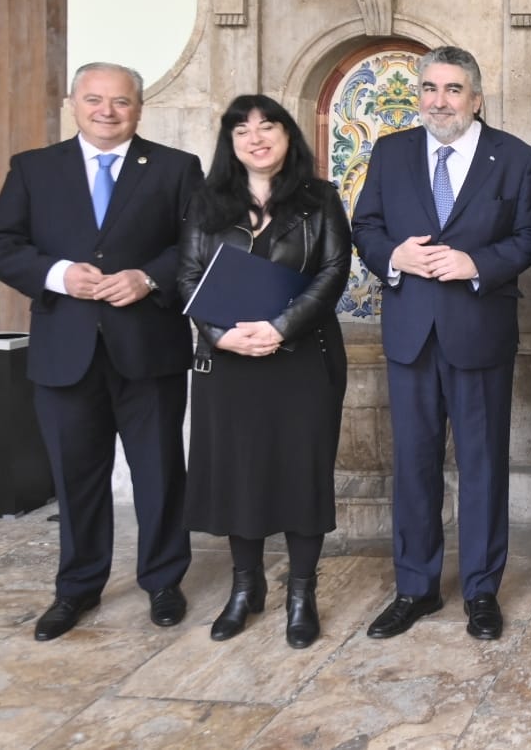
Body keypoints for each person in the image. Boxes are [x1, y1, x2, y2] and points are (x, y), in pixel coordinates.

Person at [0, 62, 202, 641]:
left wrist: (148, 279)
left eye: (120, 101)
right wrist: (53, 275)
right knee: (75, 474)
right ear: (73, 102)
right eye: (95, 99)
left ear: (139, 107)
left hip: (148, 346)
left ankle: (163, 581)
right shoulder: (34, 168)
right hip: (64, 349)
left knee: (158, 471)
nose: (107, 111)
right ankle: (76, 588)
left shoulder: (176, 168)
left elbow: (199, 246)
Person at [352, 46, 531, 642]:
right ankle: (416, 588)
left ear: (476, 98)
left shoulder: (516, 158)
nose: (439, 100)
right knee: (413, 465)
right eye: (430, 88)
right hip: (410, 335)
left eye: (453, 89)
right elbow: (365, 225)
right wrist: (393, 257)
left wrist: (475, 263)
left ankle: (482, 591)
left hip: (480, 331)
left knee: (483, 466)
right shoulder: (391, 152)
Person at [178, 95, 350, 648]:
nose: (256, 138)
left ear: (287, 135)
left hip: (300, 358)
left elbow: (333, 271)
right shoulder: (207, 200)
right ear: (231, 144)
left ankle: (302, 594)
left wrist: (280, 328)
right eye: (242, 130)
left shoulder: (320, 198)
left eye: (267, 126)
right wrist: (218, 333)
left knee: (302, 475)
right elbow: (187, 276)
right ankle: (244, 588)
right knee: (239, 475)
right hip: (227, 362)